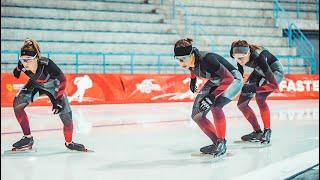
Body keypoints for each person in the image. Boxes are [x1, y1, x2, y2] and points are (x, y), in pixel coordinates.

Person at [11, 38, 87, 151]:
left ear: (36, 58)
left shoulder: (47, 64)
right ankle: (27, 138)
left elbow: (63, 80)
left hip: (54, 87)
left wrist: (59, 99)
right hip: (35, 85)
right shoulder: (22, 65)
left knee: (67, 118)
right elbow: (18, 68)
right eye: (22, 59)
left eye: (28, 59)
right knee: (17, 104)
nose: (25, 63)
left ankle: (69, 143)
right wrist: (16, 70)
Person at [174, 38, 243, 157]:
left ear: (191, 55)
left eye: (183, 59)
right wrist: (193, 79)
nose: (181, 63)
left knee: (216, 106)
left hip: (233, 79)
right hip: (216, 81)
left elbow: (228, 78)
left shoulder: (207, 59)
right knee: (197, 115)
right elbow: (191, 67)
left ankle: (221, 142)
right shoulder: (190, 60)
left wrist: (212, 96)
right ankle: (217, 143)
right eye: (178, 59)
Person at [230, 40, 284, 144]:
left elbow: (274, 85)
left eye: (241, 58)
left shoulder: (260, 58)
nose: (239, 61)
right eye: (236, 58)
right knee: (242, 104)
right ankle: (257, 131)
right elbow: (240, 72)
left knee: (260, 97)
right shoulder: (237, 53)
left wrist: (254, 89)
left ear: (248, 53)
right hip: (258, 72)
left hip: (273, 72)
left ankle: (267, 131)